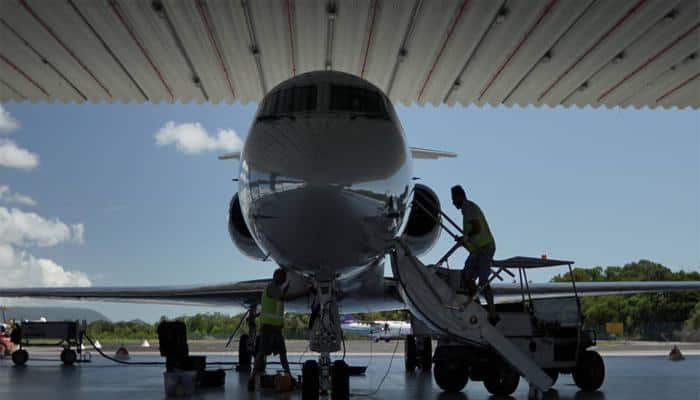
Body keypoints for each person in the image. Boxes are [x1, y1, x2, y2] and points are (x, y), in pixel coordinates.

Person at [248, 268, 308, 391]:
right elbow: (285, 298)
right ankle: (252, 377)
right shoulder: (271, 288)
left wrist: (286, 287)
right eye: (281, 277)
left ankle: (289, 376)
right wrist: (304, 292)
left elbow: (281, 296)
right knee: (262, 353)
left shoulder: (276, 289)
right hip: (268, 327)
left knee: (282, 353)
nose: (283, 279)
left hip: (275, 328)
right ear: (275, 276)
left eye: (284, 278)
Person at [451, 185, 498, 324]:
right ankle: (477, 306)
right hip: (477, 250)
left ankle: (492, 314)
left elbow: (476, 228)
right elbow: (472, 233)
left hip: (484, 248)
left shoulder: (469, 208)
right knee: (467, 277)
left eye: (454, 199)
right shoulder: (467, 210)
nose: (453, 203)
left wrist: (465, 237)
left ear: (460, 196)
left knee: (483, 281)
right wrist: (463, 239)